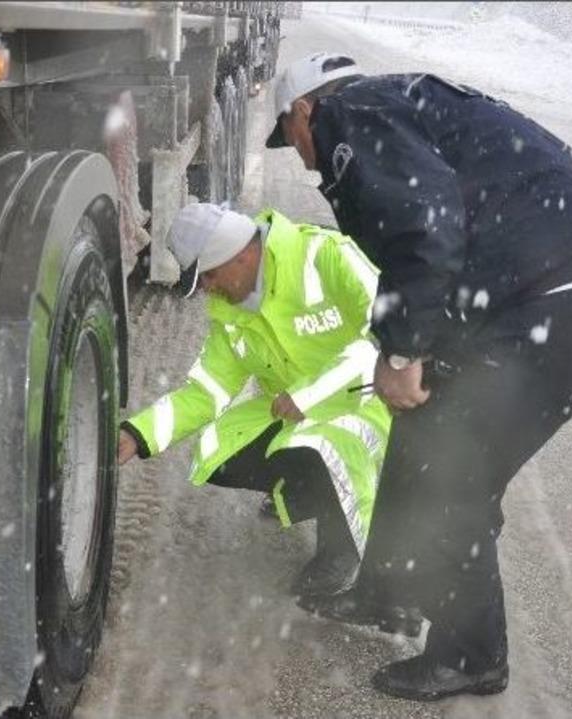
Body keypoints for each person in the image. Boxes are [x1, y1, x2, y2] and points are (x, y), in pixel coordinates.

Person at [265, 53, 572, 700]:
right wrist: (402, 347)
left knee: (453, 471)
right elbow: (430, 236)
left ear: (305, 109)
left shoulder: (350, 115)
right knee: (418, 433)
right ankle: (388, 595)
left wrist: (402, 353)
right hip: (564, 297)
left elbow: (425, 230)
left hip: (559, 305)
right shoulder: (395, 106)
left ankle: (473, 655)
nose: (300, 157)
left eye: (290, 136)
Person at [118, 203, 396, 601]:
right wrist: (137, 433)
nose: (208, 288)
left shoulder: (326, 256)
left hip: (369, 405)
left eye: (209, 275)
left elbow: (389, 335)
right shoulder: (231, 317)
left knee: (330, 445)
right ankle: (310, 492)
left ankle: (343, 547)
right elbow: (205, 392)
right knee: (219, 452)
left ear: (242, 255)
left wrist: (310, 394)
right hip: (297, 414)